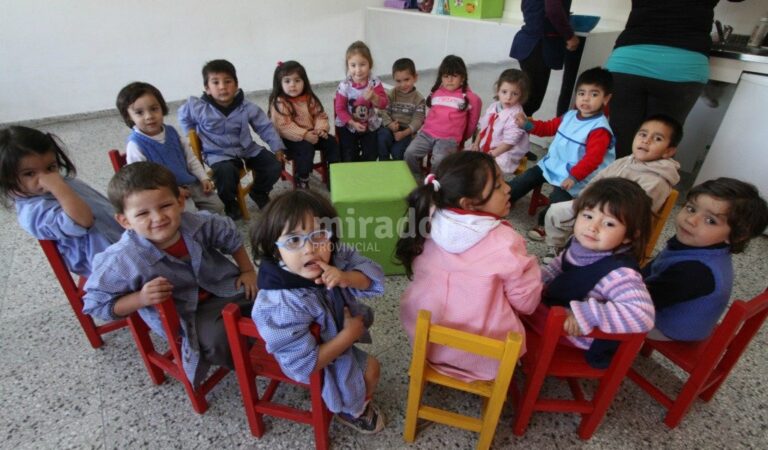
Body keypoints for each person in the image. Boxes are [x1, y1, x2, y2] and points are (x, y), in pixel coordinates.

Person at [82, 162, 257, 386]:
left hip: (224, 286)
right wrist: (140, 299)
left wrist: (247, 270)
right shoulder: (123, 259)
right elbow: (96, 305)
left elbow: (228, 233)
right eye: (143, 213)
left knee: (273, 293)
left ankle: (277, 342)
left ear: (180, 201)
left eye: (165, 205)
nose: (158, 218)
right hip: (188, 315)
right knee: (219, 339)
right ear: (125, 221)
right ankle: (250, 364)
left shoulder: (196, 223)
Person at [397, 152, 542, 382]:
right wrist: (533, 269)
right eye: (497, 186)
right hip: (484, 359)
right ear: (468, 204)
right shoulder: (506, 241)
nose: (508, 189)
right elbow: (526, 303)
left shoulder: (427, 223)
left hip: (426, 345)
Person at [250, 190, 386, 433]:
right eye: (293, 240)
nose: (310, 249)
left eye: (319, 235)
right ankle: (351, 411)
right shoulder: (282, 302)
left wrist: (347, 277)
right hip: (315, 357)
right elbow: (303, 365)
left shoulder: (334, 254)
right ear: (274, 249)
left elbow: (373, 278)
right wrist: (349, 335)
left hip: (331, 338)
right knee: (372, 370)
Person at [534, 177, 655, 367]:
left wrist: (588, 314)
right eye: (588, 216)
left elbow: (643, 315)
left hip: (581, 338)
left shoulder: (620, 274)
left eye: (609, 224)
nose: (593, 227)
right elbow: (558, 267)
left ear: (630, 235)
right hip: (558, 313)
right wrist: (535, 279)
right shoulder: (580, 245)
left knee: (513, 315)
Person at [606, 0, 744, 158]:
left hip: (629, 60)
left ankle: (613, 181)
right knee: (659, 144)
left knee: (620, 141)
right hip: (682, 65)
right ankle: (646, 182)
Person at [541, 114, 682, 263]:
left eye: (657, 138)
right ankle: (556, 246)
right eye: (643, 134)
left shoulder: (657, 180)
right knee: (555, 211)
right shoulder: (626, 160)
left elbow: (637, 214)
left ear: (668, 151)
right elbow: (597, 181)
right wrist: (584, 198)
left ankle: (582, 253)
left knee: (584, 226)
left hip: (616, 221)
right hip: (594, 206)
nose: (646, 140)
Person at [643, 177, 768, 342]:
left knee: (605, 316)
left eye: (710, 221)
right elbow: (655, 266)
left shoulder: (696, 272)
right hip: (666, 304)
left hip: (669, 328)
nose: (691, 220)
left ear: (737, 235)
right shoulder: (697, 241)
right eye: (691, 209)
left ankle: (604, 356)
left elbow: (643, 303)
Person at [0, 126, 123, 277]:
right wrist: (58, 187)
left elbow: (105, 206)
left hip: (123, 238)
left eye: (50, 167)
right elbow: (84, 220)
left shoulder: (67, 183)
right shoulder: (33, 212)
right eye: (30, 173)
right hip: (107, 265)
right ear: (6, 178)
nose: (46, 177)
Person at [510, 66, 615, 240]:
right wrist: (528, 125)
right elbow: (549, 127)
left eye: (594, 94)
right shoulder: (570, 115)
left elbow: (592, 160)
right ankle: (505, 198)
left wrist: (573, 177)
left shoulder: (600, 129)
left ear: (606, 98)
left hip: (578, 175)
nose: (586, 99)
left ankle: (545, 226)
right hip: (555, 163)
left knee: (558, 199)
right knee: (526, 178)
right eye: (581, 93)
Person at [178, 59, 285, 220]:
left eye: (228, 81)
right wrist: (190, 131)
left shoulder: (246, 106)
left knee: (273, 165)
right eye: (216, 82)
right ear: (207, 88)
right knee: (225, 174)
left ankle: (259, 191)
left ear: (236, 85)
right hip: (218, 152)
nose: (222, 86)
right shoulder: (198, 107)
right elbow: (183, 115)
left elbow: (264, 127)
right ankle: (230, 202)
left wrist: (277, 147)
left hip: (247, 149)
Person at [115, 81, 225, 214]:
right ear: (129, 116)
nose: (149, 116)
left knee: (217, 206)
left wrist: (203, 177)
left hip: (192, 184)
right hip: (164, 193)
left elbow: (190, 159)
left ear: (162, 107)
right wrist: (175, 190)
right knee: (193, 216)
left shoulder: (172, 132)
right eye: (139, 112)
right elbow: (143, 182)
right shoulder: (135, 145)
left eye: (154, 109)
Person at [403, 55, 482, 180]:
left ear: (462, 78)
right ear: (441, 77)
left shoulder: (470, 97)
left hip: (448, 139)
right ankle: (416, 177)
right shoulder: (436, 93)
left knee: (439, 160)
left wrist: (462, 137)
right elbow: (430, 115)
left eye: (454, 76)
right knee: (409, 153)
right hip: (427, 134)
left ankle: (433, 181)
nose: (449, 80)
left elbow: (473, 122)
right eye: (446, 76)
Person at [268, 61, 340, 189]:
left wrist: (320, 129)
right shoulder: (280, 102)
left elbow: (319, 115)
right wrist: (305, 134)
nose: (293, 85)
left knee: (331, 142)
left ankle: (334, 173)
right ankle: (302, 177)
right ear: (280, 83)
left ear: (304, 82)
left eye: (297, 80)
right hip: (289, 139)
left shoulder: (309, 98)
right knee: (306, 148)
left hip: (312, 133)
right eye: (287, 81)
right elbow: (283, 126)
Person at [509, 0, 579, 117]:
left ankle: (513, 131)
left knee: (527, 99)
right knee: (530, 102)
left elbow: (526, 7)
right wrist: (569, 36)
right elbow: (553, 9)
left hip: (528, 43)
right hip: (539, 46)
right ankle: (509, 132)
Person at [334, 41, 388, 162]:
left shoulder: (374, 83)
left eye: (362, 64)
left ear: (370, 64)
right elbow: (340, 109)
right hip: (349, 125)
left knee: (371, 154)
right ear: (348, 66)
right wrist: (352, 123)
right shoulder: (344, 86)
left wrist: (374, 97)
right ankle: (352, 174)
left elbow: (384, 104)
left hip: (370, 124)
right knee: (349, 155)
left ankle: (366, 174)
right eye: (353, 65)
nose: (358, 70)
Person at [470, 68, 531, 176]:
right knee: (466, 160)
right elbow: (483, 127)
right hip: (487, 146)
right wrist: (476, 143)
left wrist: (490, 155)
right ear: (498, 90)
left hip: (504, 152)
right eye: (504, 92)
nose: (508, 97)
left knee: (484, 172)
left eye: (515, 94)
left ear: (521, 95)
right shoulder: (494, 106)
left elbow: (509, 144)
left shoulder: (516, 116)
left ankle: (490, 189)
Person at [376, 58, 426, 161]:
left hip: (407, 132)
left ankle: (398, 170)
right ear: (393, 79)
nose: (403, 85)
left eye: (407, 80)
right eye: (398, 81)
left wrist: (404, 133)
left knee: (397, 151)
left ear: (415, 77)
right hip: (391, 127)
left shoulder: (419, 99)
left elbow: (418, 121)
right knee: (382, 136)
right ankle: (383, 163)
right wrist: (389, 124)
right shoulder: (392, 93)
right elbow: (382, 110)